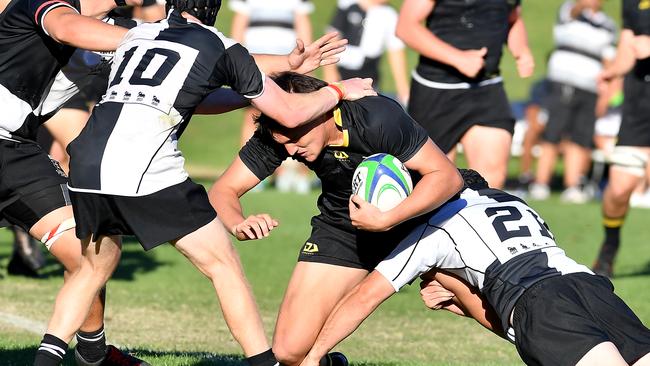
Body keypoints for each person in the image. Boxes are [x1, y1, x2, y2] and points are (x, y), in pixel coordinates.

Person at [39, 0, 375, 365]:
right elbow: (289, 112)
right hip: (142, 167)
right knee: (223, 265)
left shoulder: (139, 34)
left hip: (87, 161)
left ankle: (46, 360)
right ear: (212, 10)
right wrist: (339, 90)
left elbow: (195, 95)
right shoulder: (218, 43)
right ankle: (265, 363)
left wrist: (276, 72)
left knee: (90, 271)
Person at [209, 72, 463, 366]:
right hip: (345, 226)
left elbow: (447, 176)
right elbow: (222, 190)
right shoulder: (280, 131)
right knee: (290, 352)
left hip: (422, 221)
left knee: (494, 304)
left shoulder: (377, 118)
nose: (290, 151)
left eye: (295, 137)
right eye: (284, 142)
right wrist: (237, 222)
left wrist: (386, 219)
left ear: (322, 112)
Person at [298, 169, 650, 366]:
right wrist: (464, 304)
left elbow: (364, 296)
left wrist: (313, 356)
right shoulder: (515, 202)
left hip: (539, 304)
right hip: (590, 287)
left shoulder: (435, 227)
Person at [0, 0, 159, 364]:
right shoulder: (48, 5)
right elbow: (67, 28)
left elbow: (186, 76)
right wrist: (150, 40)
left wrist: (265, 78)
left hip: (15, 152)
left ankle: (92, 354)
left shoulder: (121, 28)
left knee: (94, 245)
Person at [396, 0, 534, 189]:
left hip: (487, 89)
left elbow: (513, 18)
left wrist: (521, 50)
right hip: (437, 91)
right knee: (435, 184)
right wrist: (457, 59)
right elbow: (406, 27)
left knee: (491, 180)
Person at [528, 0, 617, 203]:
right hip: (564, 84)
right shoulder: (569, 10)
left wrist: (606, 95)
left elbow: (609, 60)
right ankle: (540, 184)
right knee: (553, 134)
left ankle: (572, 186)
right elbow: (574, 9)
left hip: (591, 89)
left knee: (580, 138)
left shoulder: (608, 25)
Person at [229, 0, 316, 194]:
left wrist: (305, 58)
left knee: (290, 114)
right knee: (252, 114)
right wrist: (235, 61)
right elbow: (239, 24)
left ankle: (290, 172)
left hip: (288, 61)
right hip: (254, 62)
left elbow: (302, 23)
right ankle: (249, 173)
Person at [593, 0, 650, 278]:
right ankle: (610, 245)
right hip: (639, 110)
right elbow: (628, 49)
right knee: (618, 189)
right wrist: (612, 71)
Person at [323, 0, 410, 106]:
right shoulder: (348, 4)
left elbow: (396, 52)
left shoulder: (390, 15)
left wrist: (403, 89)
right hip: (341, 73)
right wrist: (330, 72)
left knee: (367, 112)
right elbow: (332, 37)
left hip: (368, 77)